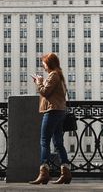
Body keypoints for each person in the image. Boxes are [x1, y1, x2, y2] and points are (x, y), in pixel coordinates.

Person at [29, 53, 72, 184]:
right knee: (58, 143)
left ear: (49, 64)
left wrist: (39, 82)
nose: (44, 67)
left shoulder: (53, 75)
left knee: (44, 141)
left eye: (44, 65)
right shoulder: (59, 75)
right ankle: (66, 173)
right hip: (59, 112)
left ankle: (44, 173)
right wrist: (41, 82)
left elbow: (45, 92)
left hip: (52, 111)